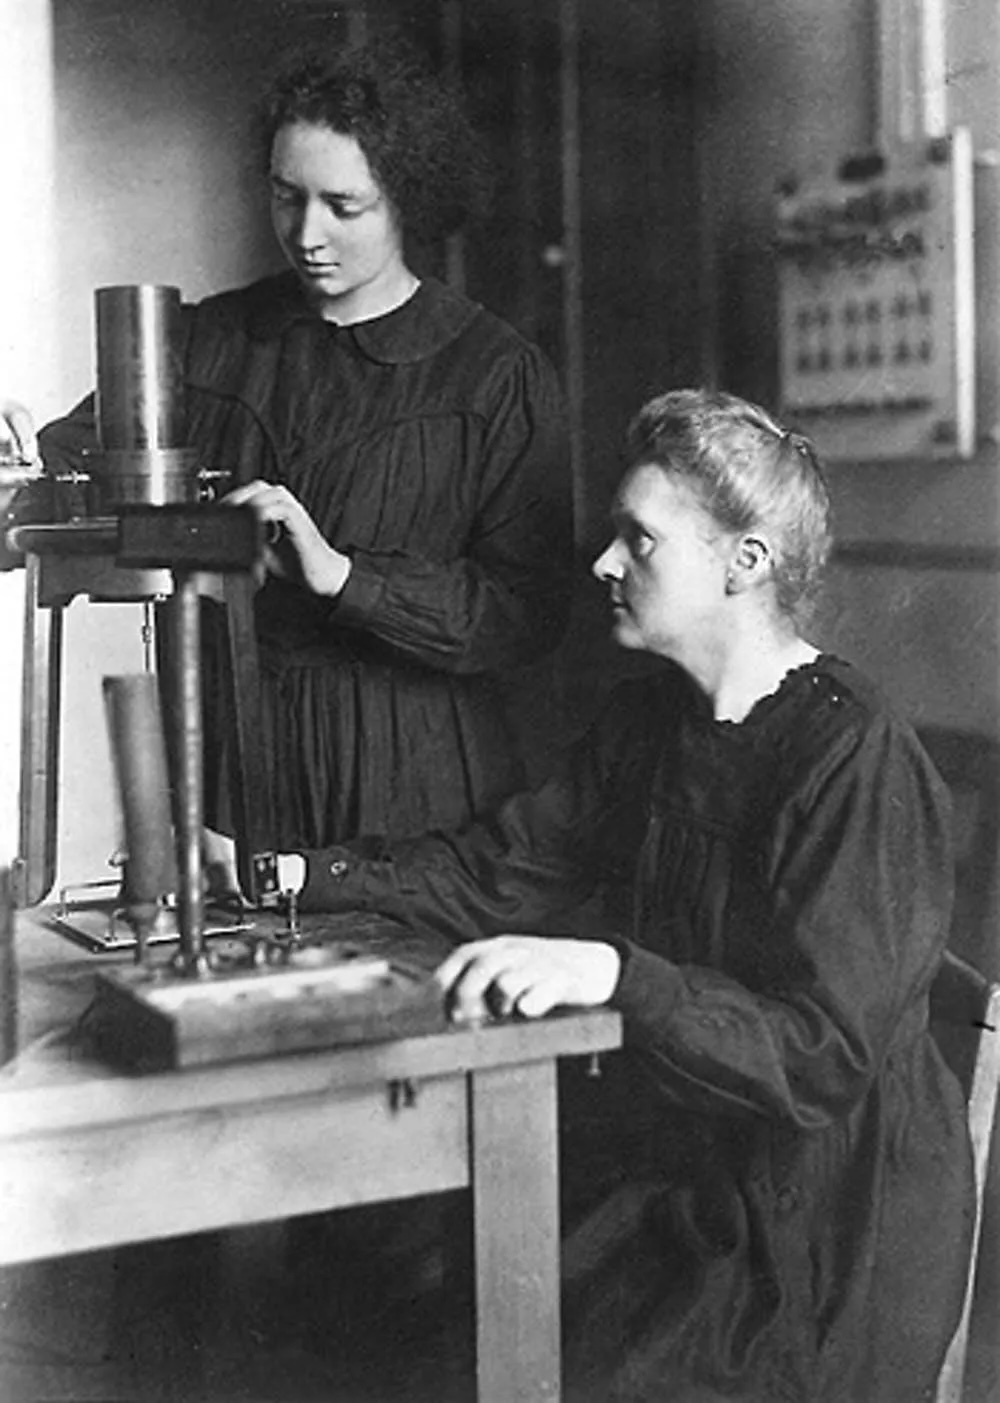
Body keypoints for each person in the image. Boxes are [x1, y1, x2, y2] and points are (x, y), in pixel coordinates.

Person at [266, 388, 974, 1401]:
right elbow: (495, 871)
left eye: (638, 540)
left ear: (745, 563)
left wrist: (610, 971)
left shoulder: (850, 752)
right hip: (684, 1161)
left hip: (813, 1221)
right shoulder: (649, 719)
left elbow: (820, 1057)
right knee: (397, 1302)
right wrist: (296, 874)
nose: (604, 562)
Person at [1, 35, 572, 850]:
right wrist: (11, 474)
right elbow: (42, 507)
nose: (306, 232)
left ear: (408, 197)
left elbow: (528, 615)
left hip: (414, 788)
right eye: (285, 196)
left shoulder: (493, 375)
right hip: (234, 776)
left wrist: (345, 578)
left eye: (344, 207)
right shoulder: (203, 344)